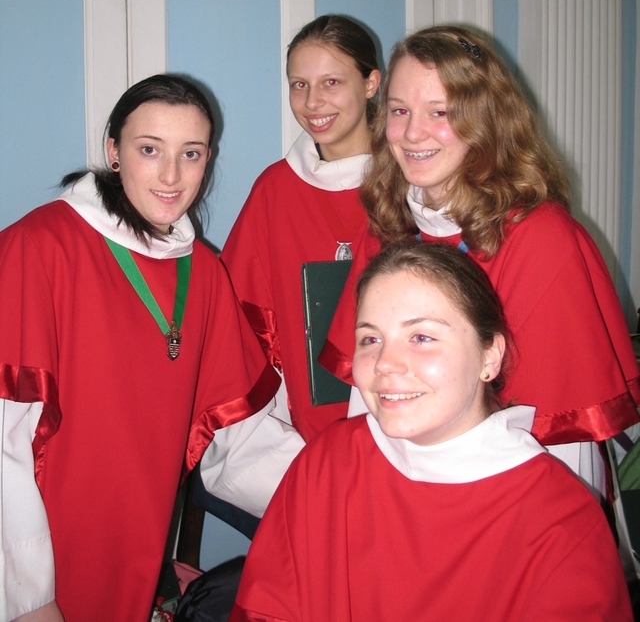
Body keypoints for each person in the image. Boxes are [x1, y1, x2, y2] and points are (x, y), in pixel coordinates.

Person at [0, 74, 281, 622]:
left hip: (139, 547)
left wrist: (341, 497)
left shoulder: (201, 272)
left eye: (191, 154)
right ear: (113, 151)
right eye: (149, 149)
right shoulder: (38, 248)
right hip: (37, 556)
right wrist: (26, 596)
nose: (171, 176)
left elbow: (238, 435)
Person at [230, 241, 633, 621]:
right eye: (371, 338)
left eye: (421, 337)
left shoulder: (560, 521)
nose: (386, 363)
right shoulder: (327, 464)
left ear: (489, 357)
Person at [321, 25, 640, 498]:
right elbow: (365, 396)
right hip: (400, 475)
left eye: (441, 112)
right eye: (400, 111)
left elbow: (558, 434)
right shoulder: (386, 225)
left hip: (504, 493)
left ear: (485, 120)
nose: (412, 133)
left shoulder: (542, 239)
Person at [200, 15, 381, 516]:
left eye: (331, 83)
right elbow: (237, 321)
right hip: (296, 413)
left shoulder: (406, 186)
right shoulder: (275, 189)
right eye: (299, 85)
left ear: (371, 83)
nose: (312, 103)